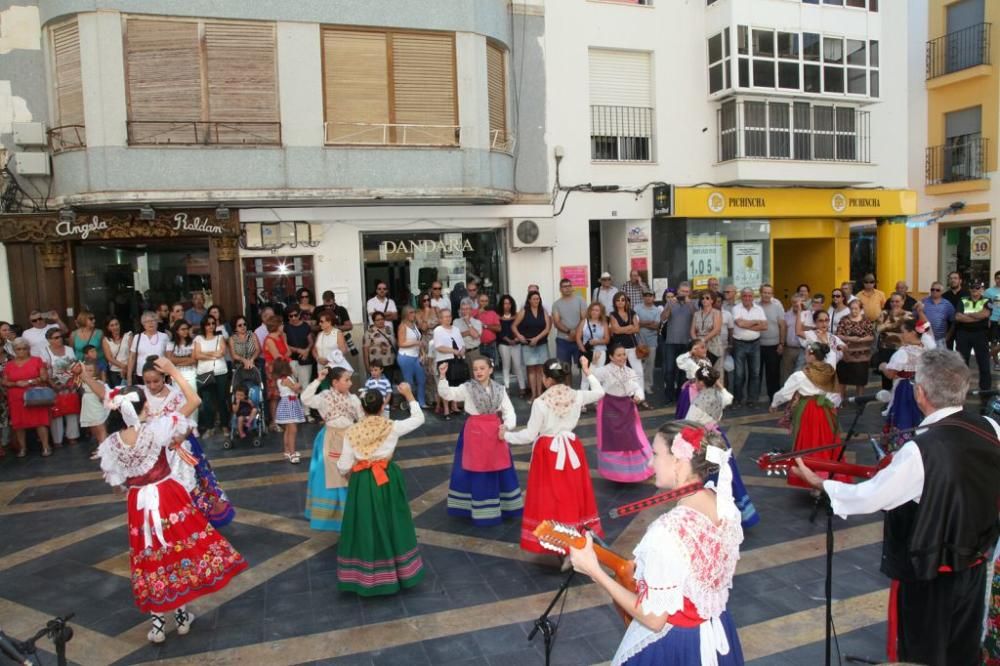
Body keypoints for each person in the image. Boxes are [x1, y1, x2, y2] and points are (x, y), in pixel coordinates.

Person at [794, 349, 1000, 666]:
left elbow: (871, 497)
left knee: (922, 653)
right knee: (963, 650)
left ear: (920, 393)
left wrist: (822, 483)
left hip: (929, 575)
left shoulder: (920, 451)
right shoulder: (990, 427)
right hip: (973, 566)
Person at [568, 421, 745, 666]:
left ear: (679, 461)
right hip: (717, 631)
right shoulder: (724, 504)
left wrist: (595, 571)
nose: (650, 463)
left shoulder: (667, 531)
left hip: (679, 646)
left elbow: (653, 618)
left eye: (655, 454)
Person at [95, 361, 247, 644]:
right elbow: (194, 400)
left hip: (138, 502)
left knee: (149, 554)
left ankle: (157, 623)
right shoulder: (157, 429)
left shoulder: (113, 443)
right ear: (143, 408)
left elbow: (117, 485)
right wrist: (174, 372)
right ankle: (180, 616)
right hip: (167, 495)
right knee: (174, 551)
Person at [504, 358, 605, 562]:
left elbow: (530, 435)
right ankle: (576, 540)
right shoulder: (576, 395)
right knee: (573, 494)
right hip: (571, 450)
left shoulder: (541, 403)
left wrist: (506, 436)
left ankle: (556, 541)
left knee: (550, 497)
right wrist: (587, 371)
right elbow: (600, 392)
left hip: (548, 453)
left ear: (546, 379)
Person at [336, 382, 426, 596]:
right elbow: (419, 419)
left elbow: (343, 465)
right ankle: (400, 572)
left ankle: (366, 575)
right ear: (380, 407)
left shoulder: (352, 431)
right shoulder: (391, 426)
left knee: (365, 523)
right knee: (392, 520)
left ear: (363, 408)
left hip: (362, 482)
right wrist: (409, 395)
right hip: (386, 478)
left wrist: (348, 473)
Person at [140, 357, 234, 529]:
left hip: (178, 450)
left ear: (165, 378)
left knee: (187, 487)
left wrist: (181, 437)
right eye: (148, 382)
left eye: (156, 381)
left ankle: (192, 525)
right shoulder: (141, 396)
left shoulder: (176, 395)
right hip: (154, 454)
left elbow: (189, 423)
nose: (152, 386)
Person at [437, 357, 522, 526]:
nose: (479, 372)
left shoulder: (499, 389)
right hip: (475, 432)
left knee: (498, 467)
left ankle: (503, 506)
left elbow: (509, 411)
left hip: (495, 432)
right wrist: (442, 376)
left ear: (490, 370)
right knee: (476, 470)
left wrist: (506, 427)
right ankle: (475, 507)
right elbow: (448, 394)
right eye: (475, 369)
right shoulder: (468, 388)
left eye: (482, 368)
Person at [685, 366, 759, 528]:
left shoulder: (698, 401)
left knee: (708, 477)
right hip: (718, 439)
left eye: (697, 380)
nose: (695, 383)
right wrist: (718, 385)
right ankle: (734, 513)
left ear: (702, 382)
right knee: (726, 475)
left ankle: (710, 515)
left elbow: (689, 423)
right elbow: (729, 398)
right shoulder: (719, 395)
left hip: (704, 441)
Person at [770, 341, 843, 489]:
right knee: (825, 441)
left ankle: (811, 479)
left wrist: (774, 403)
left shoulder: (801, 375)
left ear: (811, 355)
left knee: (809, 441)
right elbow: (836, 395)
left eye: (806, 353)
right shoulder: (830, 371)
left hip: (808, 411)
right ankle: (827, 476)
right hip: (825, 411)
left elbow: (785, 393)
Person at [302, 366, 364, 532]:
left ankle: (350, 513)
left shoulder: (353, 399)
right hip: (330, 439)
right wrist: (318, 380)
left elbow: (362, 418)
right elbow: (305, 398)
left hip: (349, 439)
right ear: (335, 382)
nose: (350, 383)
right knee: (330, 477)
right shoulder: (324, 397)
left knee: (348, 475)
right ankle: (332, 517)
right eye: (346, 380)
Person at [592, 343, 653, 483]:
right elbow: (591, 375)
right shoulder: (605, 371)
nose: (622, 357)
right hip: (609, 407)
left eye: (624, 354)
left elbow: (637, 387)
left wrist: (639, 396)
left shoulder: (630, 372)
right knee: (611, 439)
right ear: (611, 357)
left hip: (627, 406)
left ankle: (634, 471)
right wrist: (594, 363)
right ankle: (615, 472)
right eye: (618, 355)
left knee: (633, 436)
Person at [880, 318, 935, 448]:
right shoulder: (927, 350)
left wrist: (883, 366)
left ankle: (901, 448)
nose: (901, 334)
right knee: (921, 418)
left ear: (912, 333)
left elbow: (891, 374)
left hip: (906, 391)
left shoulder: (903, 353)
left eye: (903, 331)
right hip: (924, 389)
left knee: (903, 418)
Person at [2, 337, 51, 457]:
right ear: (14, 350)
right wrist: (16, 383)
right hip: (16, 397)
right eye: (18, 349)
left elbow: (44, 377)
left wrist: (30, 382)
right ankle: (22, 448)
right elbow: (4, 382)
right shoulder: (9, 365)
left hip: (35, 395)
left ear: (28, 349)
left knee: (40, 422)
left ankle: (45, 447)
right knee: (19, 424)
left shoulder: (37, 360)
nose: (22, 351)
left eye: (24, 348)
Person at [193, 313, 230, 438]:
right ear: (203, 325)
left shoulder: (219, 338)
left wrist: (206, 354)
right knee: (207, 401)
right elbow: (197, 355)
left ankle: (225, 426)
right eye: (208, 324)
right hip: (204, 372)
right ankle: (209, 427)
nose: (211, 326)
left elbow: (222, 353)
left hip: (220, 372)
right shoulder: (198, 338)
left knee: (221, 400)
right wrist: (213, 354)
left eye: (213, 323)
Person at [43, 327, 80, 448]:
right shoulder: (44, 351)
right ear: (49, 340)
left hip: (70, 384)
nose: (59, 339)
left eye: (60, 337)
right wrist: (52, 384)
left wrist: (74, 381)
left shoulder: (69, 349)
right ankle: (57, 439)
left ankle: (72, 436)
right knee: (56, 412)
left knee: (71, 410)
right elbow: (43, 370)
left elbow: (75, 366)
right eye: (56, 338)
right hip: (54, 385)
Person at [730, 288, 767, 408]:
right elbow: (739, 324)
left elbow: (765, 326)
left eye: (749, 296)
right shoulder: (736, 308)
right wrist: (756, 322)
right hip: (739, 343)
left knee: (755, 373)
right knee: (739, 374)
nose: (747, 298)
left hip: (755, 343)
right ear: (741, 297)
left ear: (753, 297)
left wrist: (747, 324)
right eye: (745, 296)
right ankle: (738, 400)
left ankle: (752, 400)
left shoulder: (759, 309)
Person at [660, 281, 695, 403]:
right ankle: (669, 395)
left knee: (683, 371)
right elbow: (663, 318)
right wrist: (669, 306)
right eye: (682, 291)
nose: (684, 294)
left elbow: (696, 316)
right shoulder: (671, 302)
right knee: (669, 370)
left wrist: (689, 303)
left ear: (689, 292)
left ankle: (680, 395)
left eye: (686, 292)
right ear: (678, 291)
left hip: (686, 342)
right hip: (671, 342)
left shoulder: (692, 303)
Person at [512, 291, 551, 401]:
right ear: (529, 300)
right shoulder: (524, 311)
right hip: (528, 345)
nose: (536, 301)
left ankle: (540, 393)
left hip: (541, 344)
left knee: (540, 370)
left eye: (537, 299)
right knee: (531, 370)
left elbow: (547, 328)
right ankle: (533, 394)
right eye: (533, 299)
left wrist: (537, 338)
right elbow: (514, 326)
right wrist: (519, 336)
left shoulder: (543, 312)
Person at [955, 279, 993, 392]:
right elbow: (958, 317)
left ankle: (985, 388)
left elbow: (985, 314)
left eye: (977, 288)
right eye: (972, 287)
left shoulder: (987, 300)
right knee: (962, 362)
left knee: (984, 362)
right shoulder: (963, 300)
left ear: (982, 289)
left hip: (980, 334)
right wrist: (978, 317)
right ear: (969, 289)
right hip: (963, 334)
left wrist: (968, 315)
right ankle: (961, 388)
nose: (974, 290)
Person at [836, 298, 875, 400]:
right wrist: (850, 338)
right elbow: (838, 335)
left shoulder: (866, 320)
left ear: (860, 309)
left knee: (860, 379)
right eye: (852, 308)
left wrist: (860, 339)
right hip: (846, 354)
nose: (854, 311)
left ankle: (859, 400)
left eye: (856, 309)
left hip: (862, 355)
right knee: (843, 379)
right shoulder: (844, 319)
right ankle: (841, 400)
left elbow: (871, 336)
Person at [432, 309, 464, 419]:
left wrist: (462, 351)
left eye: (449, 316)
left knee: (455, 384)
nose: (448, 318)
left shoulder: (456, 329)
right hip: (444, 360)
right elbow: (439, 347)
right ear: (440, 319)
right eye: (445, 317)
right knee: (445, 385)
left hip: (457, 359)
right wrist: (454, 351)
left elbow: (462, 344)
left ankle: (454, 406)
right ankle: (446, 410)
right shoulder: (438, 330)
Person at [272, 358, 304, 464]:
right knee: (293, 430)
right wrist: (299, 384)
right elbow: (295, 388)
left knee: (288, 430)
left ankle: (287, 450)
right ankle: (292, 453)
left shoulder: (282, 379)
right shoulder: (286, 379)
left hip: (289, 403)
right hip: (289, 404)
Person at [166, 320, 199, 424]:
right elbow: (169, 360)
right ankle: (181, 424)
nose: (185, 331)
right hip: (176, 376)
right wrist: (186, 360)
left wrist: (177, 362)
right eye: (182, 329)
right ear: (177, 331)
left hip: (191, 374)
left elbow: (194, 360)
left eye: (187, 329)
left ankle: (193, 426)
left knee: (193, 400)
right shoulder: (171, 344)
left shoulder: (193, 342)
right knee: (179, 401)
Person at [757, 284, 786, 401]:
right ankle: (754, 398)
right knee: (756, 374)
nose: (767, 295)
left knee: (773, 374)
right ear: (760, 293)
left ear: (772, 294)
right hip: (757, 345)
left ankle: (774, 397)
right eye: (765, 292)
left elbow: (782, 326)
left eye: (769, 293)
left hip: (774, 346)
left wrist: (781, 343)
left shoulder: (777, 306)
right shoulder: (755, 306)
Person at [877, 294, 911, 391]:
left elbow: (910, 331)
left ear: (903, 302)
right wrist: (897, 324)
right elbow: (879, 328)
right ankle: (886, 401)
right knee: (887, 377)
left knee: (901, 375)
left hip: (903, 349)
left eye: (897, 301)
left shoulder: (909, 315)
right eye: (892, 301)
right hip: (886, 349)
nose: (894, 304)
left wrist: (888, 326)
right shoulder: (884, 313)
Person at [262, 316, 290, 431]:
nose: (283, 326)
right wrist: (285, 357)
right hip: (273, 370)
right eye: (281, 324)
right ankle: (273, 422)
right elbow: (277, 357)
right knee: (274, 396)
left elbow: (288, 351)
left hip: (283, 368)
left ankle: (281, 419)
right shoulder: (269, 340)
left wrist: (285, 357)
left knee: (283, 394)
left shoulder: (282, 337)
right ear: (277, 326)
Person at [552, 278, 587, 371]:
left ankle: (582, 386)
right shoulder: (556, 304)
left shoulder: (581, 300)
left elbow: (584, 318)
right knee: (565, 368)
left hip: (579, 339)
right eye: (564, 286)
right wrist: (569, 332)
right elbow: (557, 321)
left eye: (569, 286)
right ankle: (567, 386)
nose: (567, 288)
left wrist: (576, 333)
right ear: (560, 289)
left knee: (583, 365)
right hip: (563, 340)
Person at [608, 292, 644, 383]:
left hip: (632, 345)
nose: (620, 302)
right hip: (619, 347)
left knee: (638, 370)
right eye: (618, 300)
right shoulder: (612, 314)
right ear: (614, 302)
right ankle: (623, 395)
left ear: (626, 302)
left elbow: (637, 329)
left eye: (623, 300)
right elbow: (616, 330)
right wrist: (629, 327)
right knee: (621, 372)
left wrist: (622, 329)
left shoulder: (632, 313)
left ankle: (639, 394)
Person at [78, 358, 109, 458]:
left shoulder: (98, 382)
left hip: (96, 407)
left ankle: (104, 450)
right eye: (86, 370)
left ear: (95, 371)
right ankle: (101, 446)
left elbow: (102, 395)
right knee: (94, 428)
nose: (88, 373)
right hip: (88, 406)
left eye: (90, 370)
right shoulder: (82, 380)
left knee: (100, 427)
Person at [496, 294, 526, 397]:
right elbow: (499, 332)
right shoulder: (498, 317)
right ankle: (507, 387)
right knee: (506, 365)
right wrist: (508, 340)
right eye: (505, 303)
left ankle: (522, 387)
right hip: (504, 344)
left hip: (516, 343)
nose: (507, 305)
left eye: (509, 303)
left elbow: (521, 328)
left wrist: (517, 339)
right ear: (501, 305)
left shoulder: (517, 315)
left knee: (518, 365)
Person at [126, 311, 169, 384]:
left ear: (157, 323)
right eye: (147, 321)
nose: (150, 323)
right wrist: (129, 376)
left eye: (153, 321)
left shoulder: (164, 337)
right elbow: (132, 357)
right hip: (141, 375)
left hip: (160, 373)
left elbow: (168, 357)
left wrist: (169, 373)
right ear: (143, 324)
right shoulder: (137, 337)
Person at [675, 338, 713, 419]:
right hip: (692, 391)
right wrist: (690, 353)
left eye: (705, 347)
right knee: (690, 413)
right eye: (702, 347)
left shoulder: (706, 360)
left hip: (704, 390)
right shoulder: (689, 361)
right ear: (694, 350)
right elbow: (679, 360)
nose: (705, 349)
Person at [396, 305, 426, 407]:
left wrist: (422, 354)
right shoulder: (402, 326)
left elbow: (419, 341)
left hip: (416, 356)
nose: (414, 314)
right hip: (406, 357)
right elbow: (401, 343)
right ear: (405, 314)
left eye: (414, 312)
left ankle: (421, 403)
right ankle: (411, 404)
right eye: (411, 313)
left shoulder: (414, 325)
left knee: (421, 379)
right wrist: (416, 343)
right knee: (409, 382)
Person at [634, 290, 662, 396]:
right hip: (639, 340)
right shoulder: (637, 308)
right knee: (639, 365)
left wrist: (642, 323)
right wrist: (648, 322)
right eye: (645, 295)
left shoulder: (656, 310)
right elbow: (635, 323)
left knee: (650, 364)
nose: (648, 298)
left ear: (654, 297)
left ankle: (648, 385)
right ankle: (638, 386)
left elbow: (656, 326)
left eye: (650, 296)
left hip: (652, 341)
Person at [284, 306, 315, 393]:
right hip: (291, 359)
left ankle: (305, 407)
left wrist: (307, 351)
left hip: (305, 359)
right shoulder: (285, 328)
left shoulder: (305, 326)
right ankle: (295, 406)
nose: (293, 318)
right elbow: (284, 344)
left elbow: (311, 342)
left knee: (305, 387)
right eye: (291, 316)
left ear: (299, 314)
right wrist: (298, 350)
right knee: (292, 387)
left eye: (295, 315)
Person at [363, 310, 397, 382]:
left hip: (389, 362)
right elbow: (365, 350)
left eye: (382, 319)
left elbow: (394, 343)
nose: (381, 321)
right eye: (378, 320)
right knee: (377, 385)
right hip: (376, 364)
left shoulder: (389, 329)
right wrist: (367, 365)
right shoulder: (369, 332)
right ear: (373, 321)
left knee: (388, 383)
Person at [921, 281, 956, 347]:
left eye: (937, 290)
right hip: (926, 339)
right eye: (932, 289)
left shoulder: (947, 304)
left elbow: (953, 321)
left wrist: (948, 336)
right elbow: (915, 317)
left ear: (942, 292)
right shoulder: (923, 302)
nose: (934, 291)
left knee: (940, 357)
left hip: (940, 340)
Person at [780, 295, 805, 384]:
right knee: (786, 374)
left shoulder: (807, 315)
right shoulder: (786, 315)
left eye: (798, 302)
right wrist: (782, 344)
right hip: (789, 349)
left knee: (800, 374)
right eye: (794, 302)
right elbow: (782, 330)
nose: (796, 305)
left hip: (803, 349)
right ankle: (786, 396)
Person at [102, 316, 131, 387]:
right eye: (112, 325)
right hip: (115, 372)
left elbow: (132, 353)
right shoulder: (106, 340)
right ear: (108, 328)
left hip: (129, 370)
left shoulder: (128, 335)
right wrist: (123, 366)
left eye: (116, 324)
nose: (115, 327)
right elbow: (109, 357)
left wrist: (127, 368)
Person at [476, 293, 501, 367]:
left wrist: (486, 326)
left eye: (486, 301)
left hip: (491, 345)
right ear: (478, 301)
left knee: (491, 367)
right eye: (482, 301)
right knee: (479, 368)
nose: (484, 303)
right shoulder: (473, 312)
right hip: (478, 345)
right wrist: (478, 314)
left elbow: (499, 328)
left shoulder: (493, 313)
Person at [455, 299, 483, 366]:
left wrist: (468, 322)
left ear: (471, 310)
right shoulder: (456, 321)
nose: (464, 311)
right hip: (461, 353)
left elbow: (475, 336)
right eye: (462, 309)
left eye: (467, 309)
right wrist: (469, 332)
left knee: (475, 374)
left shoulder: (477, 322)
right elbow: (456, 336)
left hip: (474, 352)